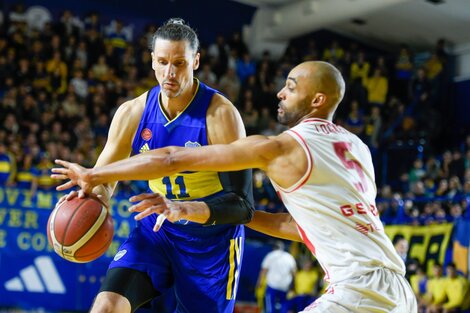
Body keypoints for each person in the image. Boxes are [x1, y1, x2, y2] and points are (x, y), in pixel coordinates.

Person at [53, 60, 418, 312]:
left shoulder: (281, 147)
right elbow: (299, 226)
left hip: (358, 290)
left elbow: (170, 159)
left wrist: (94, 175)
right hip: (399, 291)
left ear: (317, 100)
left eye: (290, 87)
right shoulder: (357, 149)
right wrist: (217, 211)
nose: (279, 93)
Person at [54, 18, 254, 313]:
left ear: (196, 61)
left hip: (211, 243)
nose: (170, 73)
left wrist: (184, 210)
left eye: (180, 63)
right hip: (156, 231)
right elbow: (104, 181)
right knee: (106, 307)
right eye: (162, 62)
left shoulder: (220, 115)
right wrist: (91, 199)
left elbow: (242, 205)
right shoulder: (132, 112)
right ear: (152, 61)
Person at [256, 240, 296, 313]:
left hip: (272, 285)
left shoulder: (270, 255)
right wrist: (293, 286)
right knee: (283, 304)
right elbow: (293, 273)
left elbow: (264, 271)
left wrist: (259, 282)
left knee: (270, 305)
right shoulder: (289, 257)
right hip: (284, 286)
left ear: (274, 248)